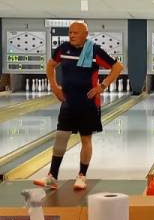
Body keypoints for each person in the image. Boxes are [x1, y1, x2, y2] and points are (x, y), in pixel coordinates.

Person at [34, 21, 123, 192]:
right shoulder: (63, 49)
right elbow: (50, 65)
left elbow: (117, 67)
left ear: (85, 34)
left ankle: (82, 175)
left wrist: (102, 86)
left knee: (86, 139)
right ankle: (52, 176)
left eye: (75, 33)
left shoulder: (94, 50)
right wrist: (54, 86)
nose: (72, 35)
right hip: (68, 102)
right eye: (70, 32)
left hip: (89, 103)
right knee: (61, 137)